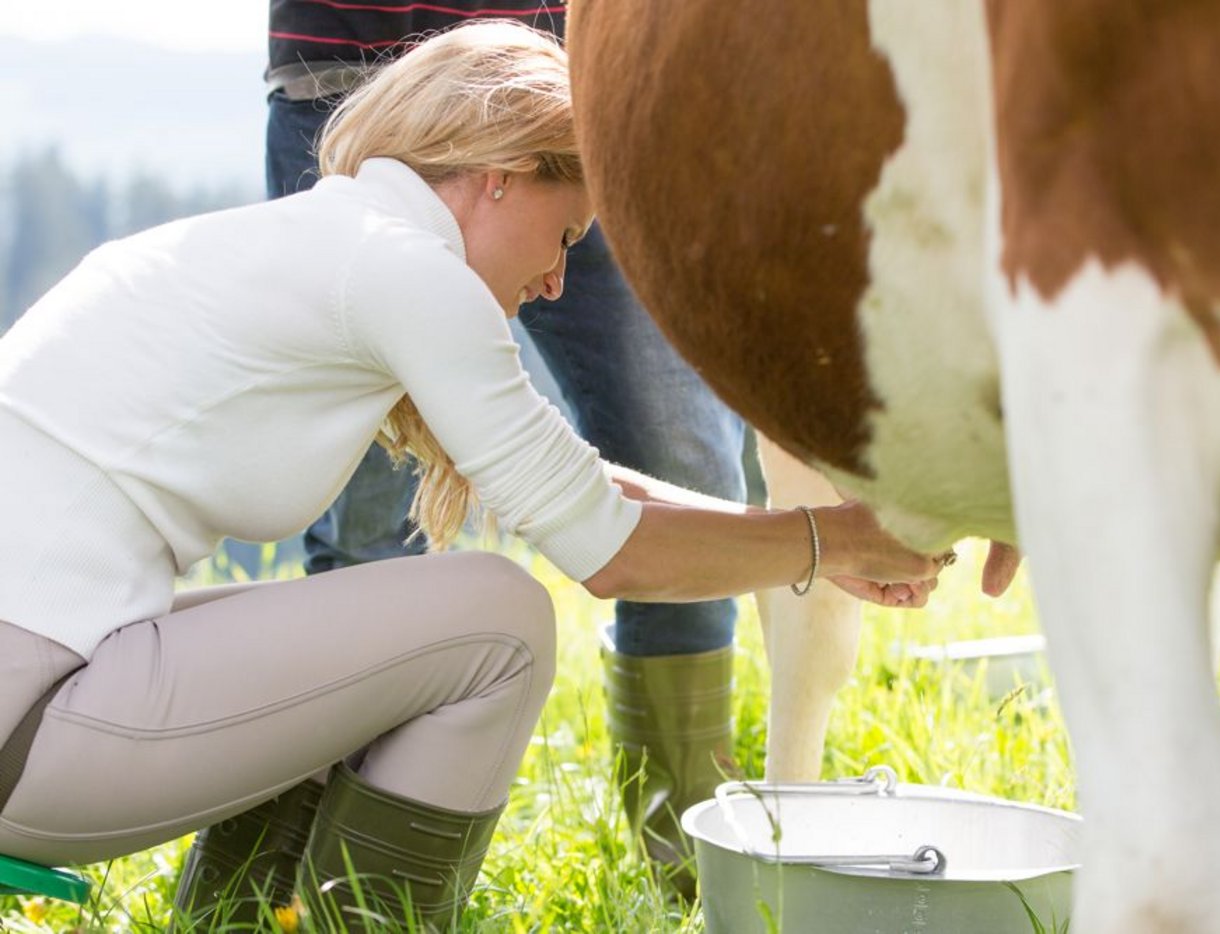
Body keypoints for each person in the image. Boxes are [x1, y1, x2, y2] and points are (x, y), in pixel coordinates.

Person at [0, 21, 940, 930]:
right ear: (501, 177)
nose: (558, 279)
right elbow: (607, 552)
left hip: (46, 698)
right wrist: (833, 538)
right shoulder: (402, 271)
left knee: (369, 631)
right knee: (504, 619)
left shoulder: (326, 243)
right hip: (36, 723)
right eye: (569, 235)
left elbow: (577, 486)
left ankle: (238, 920)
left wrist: (819, 549)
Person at [262, 0, 757, 898]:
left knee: (687, 456)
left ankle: (686, 864)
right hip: (350, 76)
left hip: (584, 104)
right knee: (368, 519)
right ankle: (337, 883)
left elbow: (585, 499)